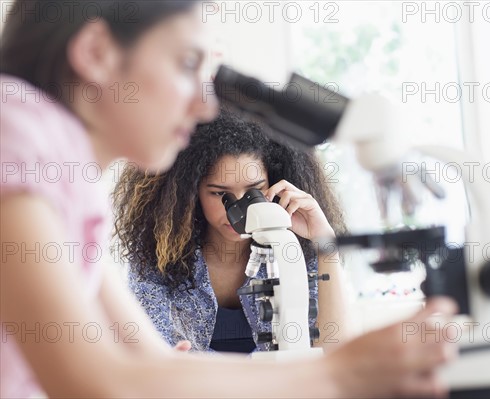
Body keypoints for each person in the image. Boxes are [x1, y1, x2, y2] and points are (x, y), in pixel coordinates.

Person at [0, 1, 458, 398]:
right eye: (186, 63)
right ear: (97, 52)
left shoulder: (69, 184)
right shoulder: (14, 131)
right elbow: (98, 384)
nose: (204, 105)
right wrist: (345, 374)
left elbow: (149, 364)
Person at [113, 109, 350, 354]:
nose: (238, 210)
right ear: (191, 193)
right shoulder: (156, 258)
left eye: (254, 191)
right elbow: (151, 358)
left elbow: (335, 352)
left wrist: (326, 244)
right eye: (219, 194)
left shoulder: (294, 248)